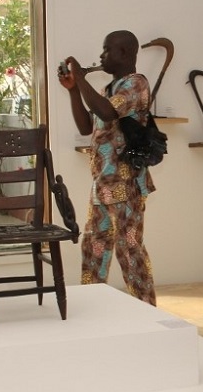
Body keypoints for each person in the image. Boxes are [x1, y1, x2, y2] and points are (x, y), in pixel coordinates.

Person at [58, 30, 156, 305]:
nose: (101, 57)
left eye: (106, 50)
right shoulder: (108, 90)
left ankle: (148, 311)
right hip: (102, 184)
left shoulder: (137, 84)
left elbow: (107, 112)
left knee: (129, 251)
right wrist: (74, 89)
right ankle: (92, 306)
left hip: (125, 184)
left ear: (124, 53)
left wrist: (80, 77)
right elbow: (85, 126)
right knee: (94, 248)